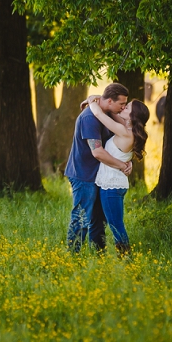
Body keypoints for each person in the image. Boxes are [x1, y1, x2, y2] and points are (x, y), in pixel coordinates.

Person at [65, 83, 132, 252]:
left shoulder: (107, 113)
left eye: (126, 104)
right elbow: (98, 152)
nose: (123, 107)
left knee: (98, 220)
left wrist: (126, 161)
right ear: (110, 101)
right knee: (81, 218)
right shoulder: (89, 118)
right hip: (84, 175)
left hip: (99, 175)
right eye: (121, 104)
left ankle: (98, 257)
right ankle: (73, 256)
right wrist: (122, 166)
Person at [87, 94, 150, 257]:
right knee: (112, 222)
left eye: (127, 107)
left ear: (132, 116)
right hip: (114, 184)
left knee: (116, 225)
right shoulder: (128, 129)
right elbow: (112, 113)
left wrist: (91, 101)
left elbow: (99, 115)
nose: (123, 107)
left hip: (112, 187)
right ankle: (104, 253)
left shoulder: (124, 132)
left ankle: (126, 258)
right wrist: (104, 100)